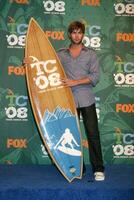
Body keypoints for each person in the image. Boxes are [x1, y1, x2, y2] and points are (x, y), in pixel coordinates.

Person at [57, 21, 105, 181]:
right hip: (68, 100)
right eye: (74, 32)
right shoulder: (61, 54)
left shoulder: (90, 54)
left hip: (86, 99)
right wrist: (29, 63)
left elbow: (95, 77)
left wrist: (75, 82)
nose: (76, 35)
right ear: (69, 34)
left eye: (79, 32)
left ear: (83, 34)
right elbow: (45, 65)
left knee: (93, 134)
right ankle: (79, 167)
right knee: (72, 136)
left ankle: (98, 168)